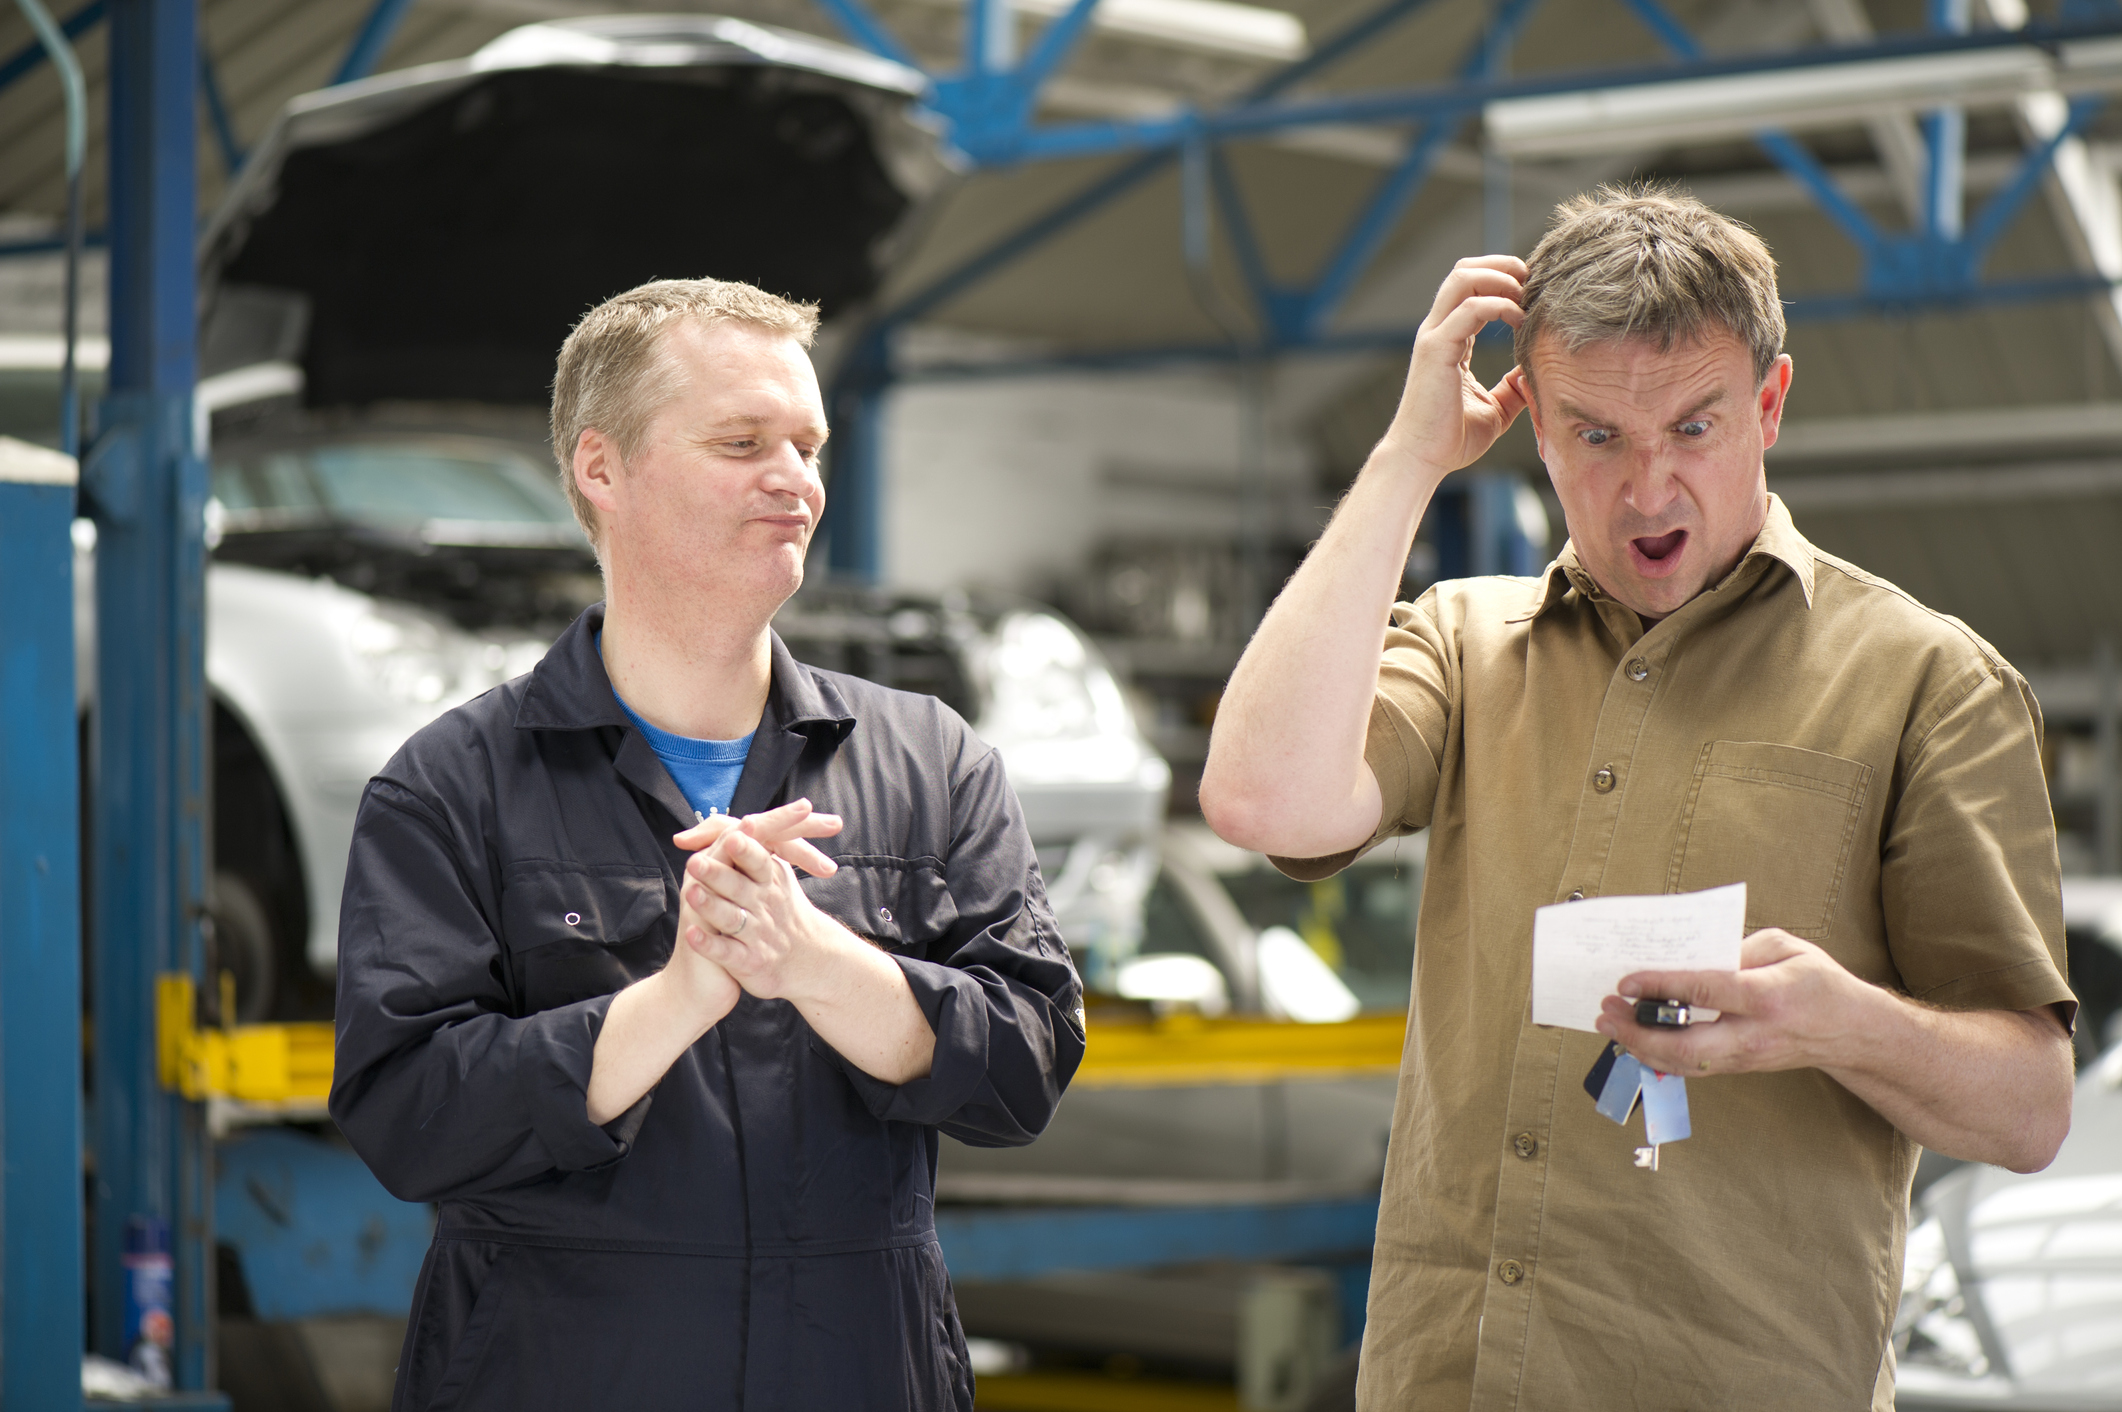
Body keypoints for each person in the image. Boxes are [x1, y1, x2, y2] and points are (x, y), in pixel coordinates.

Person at [1199, 186, 2076, 1410]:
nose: (1648, 488)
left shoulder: (1924, 682)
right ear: (1536, 431)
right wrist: (1406, 461)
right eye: (1597, 436)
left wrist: (1837, 1023)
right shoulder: (1464, 641)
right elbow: (1259, 800)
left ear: (1768, 405)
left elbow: (2032, 1107)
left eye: (1694, 426)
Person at [329, 278, 1084, 1412]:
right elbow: (410, 1116)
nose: (795, 479)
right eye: (741, 441)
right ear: (601, 469)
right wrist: (680, 994)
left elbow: (1028, 1065)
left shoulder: (931, 761)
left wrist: (814, 965)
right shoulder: (453, 786)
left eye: (808, 444)